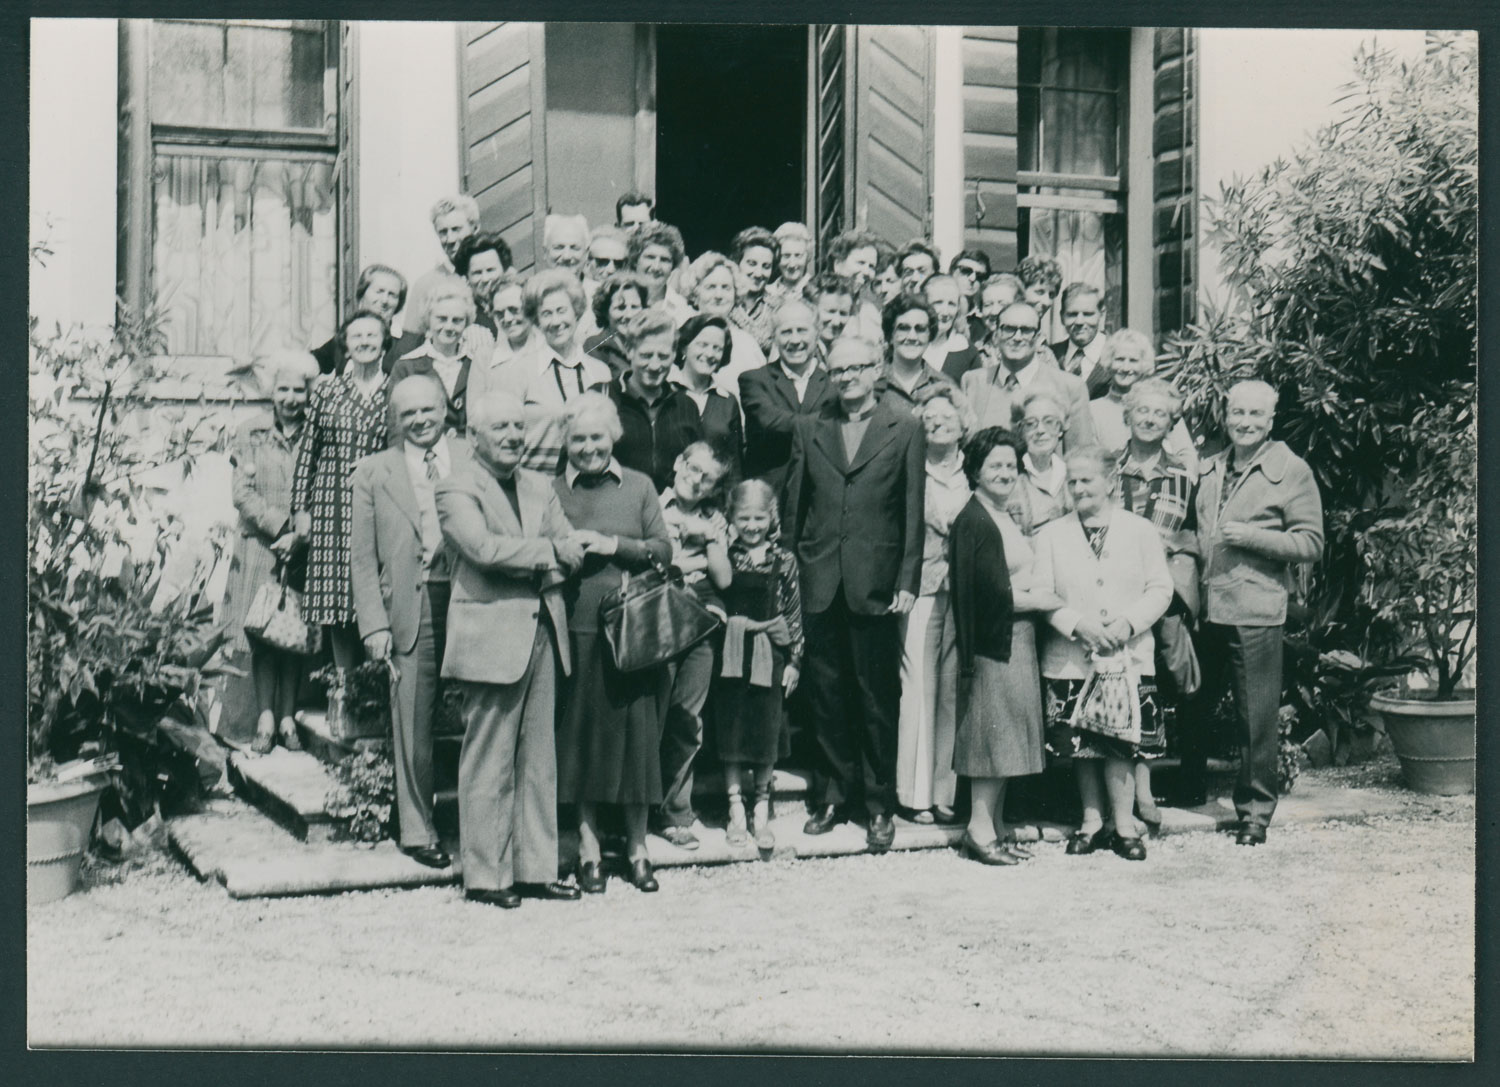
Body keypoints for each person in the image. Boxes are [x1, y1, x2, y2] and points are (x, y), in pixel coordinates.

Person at [435, 389, 587, 909]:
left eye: (518, 428)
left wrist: (551, 553)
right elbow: (482, 549)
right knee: (488, 761)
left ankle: (534, 870)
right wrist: (548, 552)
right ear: (473, 435)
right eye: (500, 427)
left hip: (543, 629)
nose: (512, 436)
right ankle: (485, 876)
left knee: (539, 761)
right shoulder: (455, 487)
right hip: (490, 637)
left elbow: (574, 549)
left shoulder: (540, 484)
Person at [784, 336, 925, 850]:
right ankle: (831, 796)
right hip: (819, 578)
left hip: (877, 582)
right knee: (825, 696)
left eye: (857, 368)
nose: (847, 377)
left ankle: (878, 804)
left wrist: (907, 580)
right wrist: (789, 572)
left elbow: (912, 508)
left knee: (876, 697)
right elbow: (793, 506)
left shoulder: (904, 426)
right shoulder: (810, 427)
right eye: (838, 369)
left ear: (877, 369)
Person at [1188, 380, 1323, 844]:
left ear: (1270, 420)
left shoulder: (1290, 470)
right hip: (1206, 606)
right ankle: (1190, 789)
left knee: (1256, 716)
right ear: (1226, 416)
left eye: (1255, 415)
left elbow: (1311, 542)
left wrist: (1252, 537)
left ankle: (1255, 812)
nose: (1244, 422)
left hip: (1255, 608)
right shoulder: (1210, 465)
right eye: (1238, 413)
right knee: (1194, 701)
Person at [552, 392, 674, 894]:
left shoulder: (639, 486)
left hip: (633, 629)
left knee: (637, 740)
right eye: (578, 439)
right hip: (576, 625)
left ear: (613, 438)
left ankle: (638, 847)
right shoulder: (551, 490)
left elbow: (664, 550)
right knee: (580, 739)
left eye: (597, 437)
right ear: (565, 442)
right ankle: (589, 847)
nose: (588, 448)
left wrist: (615, 546)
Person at [1033, 446, 1174, 862]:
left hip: (1127, 655)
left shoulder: (1140, 531)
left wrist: (1127, 624)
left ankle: (1124, 825)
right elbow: (1042, 592)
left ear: (1110, 483)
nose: (1078, 488)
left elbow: (1160, 588)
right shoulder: (1052, 535)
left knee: (1121, 742)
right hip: (1072, 655)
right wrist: (1077, 623)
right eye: (1072, 481)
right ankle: (1092, 821)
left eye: (1087, 480)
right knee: (1082, 744)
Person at [349, 374, 461, 870]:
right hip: (411, 607)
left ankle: (481, 824)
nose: (419, 420)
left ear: (444, 408)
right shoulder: (374, 472)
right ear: (395, 419)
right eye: (408, 413)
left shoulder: (472, 459)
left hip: (470, 599)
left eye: (427, 410)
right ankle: (417, 829)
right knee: (413, 721)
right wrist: (374, 625)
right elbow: (361, 558)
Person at [949, 427, 1062, 864]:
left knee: (1009, 735)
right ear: (975, 470)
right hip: (994, 643)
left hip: (1017, 638)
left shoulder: (1001, 514)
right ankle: (978, 830)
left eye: (1011, 466)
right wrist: (1043, 601)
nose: (1004, 473)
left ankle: (994, 826)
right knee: (991, 737)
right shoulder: (972, 520)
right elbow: (982, 595)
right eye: (994, 465)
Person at [1116, 377, 1202, 831]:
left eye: (1160, 414)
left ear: (1171, 423)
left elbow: (1193, 537)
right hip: (1113, 596)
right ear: (1127, 415)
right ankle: (1119, 793)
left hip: (1160, 596)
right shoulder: (1108, 469)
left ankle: (1146, 789)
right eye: (1142, 411)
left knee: (1153, 689)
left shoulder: (1185, 477)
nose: (1149, 419)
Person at [222, 352, 318, 753]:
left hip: (302, 547)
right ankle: (264, 719)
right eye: (283, 389)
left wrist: (300, 535)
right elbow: (241, 494)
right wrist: (281, 527)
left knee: (293, 631)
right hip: (261, 545)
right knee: (261, 632)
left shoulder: (318, 432)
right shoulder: (251, 432)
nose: (291, 398)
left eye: (299, 390)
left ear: (309, 393)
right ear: (271, 392)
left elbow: (323, 490)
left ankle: (287, 718)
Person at [292, 312, 391, 670]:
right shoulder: (328, 391)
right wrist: (300, 510)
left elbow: (403, 450)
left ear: (384, 343)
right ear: (345, 345)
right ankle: (345, 685)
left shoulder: (394, 392)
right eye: (356, 336)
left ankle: (377, 683)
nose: (364, 342)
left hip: (380, 506)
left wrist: (376, 464)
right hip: (331, 505)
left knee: (376, 593)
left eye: (372, 335)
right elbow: (308, 453)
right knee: (337, 601)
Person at [895, 385, 972, 825]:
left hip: (962, 591)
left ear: (963, 424)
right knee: (918, 688)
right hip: (921, 587)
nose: (938, 422)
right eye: (929, 416)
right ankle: (914, 794)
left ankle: (945, 793)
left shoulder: (972, 469)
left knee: (951, 691)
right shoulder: (909, 467)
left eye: (946, 416)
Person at [715, 479, 804, 851]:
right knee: (732, 731)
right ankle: (735, 808)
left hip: (771, 653)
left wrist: (795, 660)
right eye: (744, 518)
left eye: (759, 518)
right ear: (731, 518)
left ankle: (761, 810)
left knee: (766, 732)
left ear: (772, 518)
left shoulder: (784, 559)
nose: (752, 526)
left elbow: (793, 613)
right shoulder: (725, 556)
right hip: (732, 653)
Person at [654, 442, 734, 850]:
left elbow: (724, 578)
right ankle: (634, 810)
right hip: (656, 622)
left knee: (687, 718)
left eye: (708, 478)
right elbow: (656, 566)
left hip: (701, 625)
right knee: (651, 716)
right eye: (693, 468)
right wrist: (692, 561)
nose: (696, 480)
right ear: (678, 463)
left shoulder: (712, 518)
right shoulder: (651, 504)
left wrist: (707, 538)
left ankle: (675, 812)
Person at [492, 269, 612, 475]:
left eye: (561, 311)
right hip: (534, 484)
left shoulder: (600, 372)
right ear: (537, 321)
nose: (556, 322)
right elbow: (500, 440)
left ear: (576, 313)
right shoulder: (518, 372)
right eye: (546, 314)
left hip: (587, 485)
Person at [960, 301, 1096, 450]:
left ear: (1037, 338)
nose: (1017, 337)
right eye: (1009, 329)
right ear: (996, 335)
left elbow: (1080, 456)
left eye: (1026, 331)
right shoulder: (974, 382)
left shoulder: (1070, 387)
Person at [739, 297, 833, 489]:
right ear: (774, 337)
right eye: (786, 332)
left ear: (817, 334)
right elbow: (771, 421)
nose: (795, 340)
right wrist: (830, 423)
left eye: (802, 330)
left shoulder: (832, 384)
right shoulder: (754, 380)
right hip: (769, 493)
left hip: (818, 493)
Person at [610, 308, 704, 491]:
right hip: (616, 505)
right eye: (646, 356)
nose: (654, 365)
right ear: (629, 350)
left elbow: (699, 468)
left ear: (674, 354)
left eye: (663, 356)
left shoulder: (686, 405)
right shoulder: (604, 397)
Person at [1088, 330, 1199, 474]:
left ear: (1144, 366)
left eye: (1133, 361)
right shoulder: (1093, 410)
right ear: (1109, 363)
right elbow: (1089, 460)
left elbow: (1188, 457)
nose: (1125, 368)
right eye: (1119, 359)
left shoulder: (1162, 404)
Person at [390, 277, 490, 433]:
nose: (449, 327)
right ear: (428, 319)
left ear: (466, 323)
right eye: (442, 319)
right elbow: (395, 427)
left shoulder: (476, 364)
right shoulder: (406, 366)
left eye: (457, 320)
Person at [679, 251, 767, 394]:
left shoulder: (747, 344)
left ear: (735, 293)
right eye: (711, 287)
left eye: (726, 288)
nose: (718, 295)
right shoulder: (681, 335)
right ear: (695, 293)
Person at [673, 314, 744, 477]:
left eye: (717, 348)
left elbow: (734, 466)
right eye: (703, 345)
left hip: (713, 491)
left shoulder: (727, 401)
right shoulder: (666, 392)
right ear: (684, 347)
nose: (710, 353)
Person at [311, 265, 406, 376]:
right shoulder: (346, 336)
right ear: (362, 294)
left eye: (392, 295)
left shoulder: (411, 343)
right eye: (379, 291)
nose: (385, 300)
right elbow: (312, 362)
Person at [407, 195, 480, 339]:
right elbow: (409, 341)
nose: (450, 239)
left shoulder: (490, 276)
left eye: (456, 229)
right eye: (443, 232)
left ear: (475, 228)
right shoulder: (426, 284)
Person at [1010, 391, 1076, 535]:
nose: (1040, 430)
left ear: (1060, 428)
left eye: (1049, 422)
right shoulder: (1011, 478)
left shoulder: (1073, 474)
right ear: (1020, 431)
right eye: (1030, 424)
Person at [879, 293, 956, 413]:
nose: (912, 337)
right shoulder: (873, 381)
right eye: (903, 328)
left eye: (920, 329)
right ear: (890, 336)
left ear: (929, 336)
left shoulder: (945, 386)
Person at [942, 274, 1022, 383]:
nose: (994, 311)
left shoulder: (1036, 349)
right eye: (988, 305)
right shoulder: (973, 352)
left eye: (1002, 304)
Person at [582, 271, 650, 380]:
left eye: (634, 307)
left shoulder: (649, 344)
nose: (629, 315)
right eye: (620, 308)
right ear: (605, 311)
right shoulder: (595, 346)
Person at [627, 222, 693, 327]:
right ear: (635, 260)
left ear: (673, 266)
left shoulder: (682, 308)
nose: (656, 267)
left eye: (664, 260)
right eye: (650, 257)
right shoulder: (620, 299)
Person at [1051, 283, 1110, 398]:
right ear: (1062, 317)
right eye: (1072, 314)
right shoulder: (1050, 355)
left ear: (1102, 314)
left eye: (1088, 314)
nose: (1079, 321)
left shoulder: (1119, 355)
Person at [728, 226, 780, 354]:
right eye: (752, 263)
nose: (758, 273)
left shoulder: (778, 308)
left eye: (766, 266)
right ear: (736, 262)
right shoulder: (722, 301)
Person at [451, 233, 513, 337]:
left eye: (490, 270)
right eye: (477, 273)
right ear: (467, 277)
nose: (485, 279)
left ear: (504, 269)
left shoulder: (520, 303)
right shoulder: (464, 316)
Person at [921, 273, 974, 375]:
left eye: (951, 304)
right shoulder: (909, 342)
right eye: (938, 303)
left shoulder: (966, 350)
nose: (945, 312)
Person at [805, 273, 857, 363]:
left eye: (843, 313)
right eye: (830, 312)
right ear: (810, 309)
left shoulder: (846, 352)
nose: (836, 322)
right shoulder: (802, 353)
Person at [1017, 254, 1064, 341]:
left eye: (1051, 295)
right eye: (1039, 292)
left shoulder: (1038, 338)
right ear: (1020, 290)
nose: (1047, 302)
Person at [948, 248, 992, 340]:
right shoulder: (935, 310)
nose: (972, 278)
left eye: (979, 276)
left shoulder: (985, 322)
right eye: (966, 271)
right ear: (951, 272)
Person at [772, 221, 813, 299]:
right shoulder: (767, 293)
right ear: (777, 257)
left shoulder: (818, 292)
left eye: (798, 256)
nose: (792, 264)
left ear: (808, 256)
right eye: (786, 256)